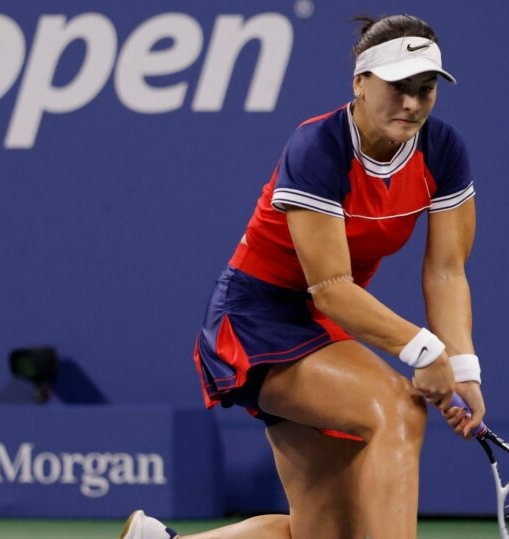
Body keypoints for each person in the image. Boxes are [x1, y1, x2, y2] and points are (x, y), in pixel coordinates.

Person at [122, 13, 486, 539]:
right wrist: (425, 352)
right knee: (399, 408)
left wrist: (465, 367)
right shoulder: (318, 148)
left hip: (319, 325)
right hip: (254, 321)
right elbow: (332, 288)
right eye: (397, 87)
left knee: (327, 532)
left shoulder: (442, 149)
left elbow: (448, 272)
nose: (411, 103)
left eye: (424, 88)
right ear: (360, 84)